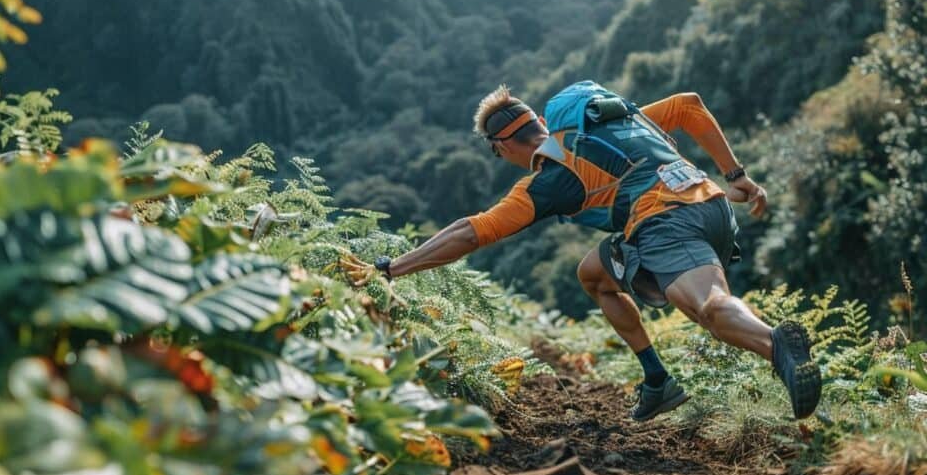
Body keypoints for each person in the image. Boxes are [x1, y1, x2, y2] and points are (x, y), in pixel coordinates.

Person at [345, 82, 822, 421]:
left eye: (495, 153)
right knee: (593, 273)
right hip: (711, 204)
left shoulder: (548, 181)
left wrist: (392, 268)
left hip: (664, 222)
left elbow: (471, 233)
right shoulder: (601, 127)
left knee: (709, 308)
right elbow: (689, 106)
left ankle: (777, 345)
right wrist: (736, 175)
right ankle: (657, 381)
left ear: (503, 145)